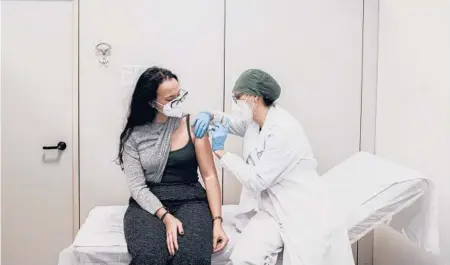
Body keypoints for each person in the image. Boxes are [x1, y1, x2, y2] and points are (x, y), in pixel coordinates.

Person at [193, 69, 355, 265]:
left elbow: (257, 181)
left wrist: (220, 152)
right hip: (271, 209)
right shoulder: (255, 122)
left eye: (238, 97)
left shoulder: (283, 130)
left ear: (255, 97)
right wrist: (208, 115)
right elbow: (232, 123)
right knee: (243, 258)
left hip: (299, 209)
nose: (234, 102)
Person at [117, 66, 229, 265]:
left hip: (191, 201)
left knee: (191, 257)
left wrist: (217, 222)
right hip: (148, 204)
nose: (177, 102)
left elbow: (209, 176)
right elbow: (137, 188)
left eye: (179, 95)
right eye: (170, 99)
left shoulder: (193, 125)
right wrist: (166, 217)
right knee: (150, 257)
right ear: (152, 102)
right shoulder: (133, 136)